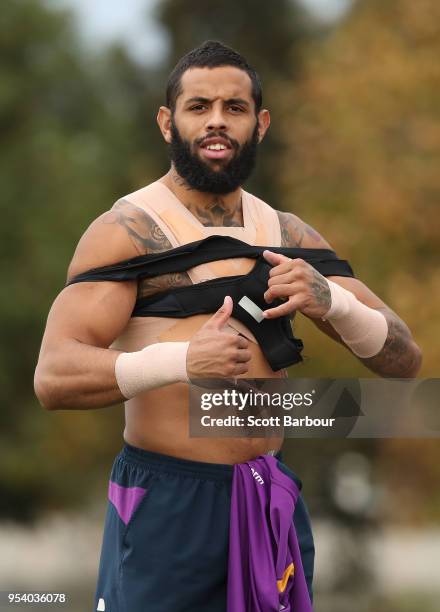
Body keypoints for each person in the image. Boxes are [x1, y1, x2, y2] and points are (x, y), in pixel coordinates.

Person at [34, 40, 422, 612]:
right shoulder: (128, 229)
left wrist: (331, 302)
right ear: (168, 122)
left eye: (234, 108)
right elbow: (53, 376)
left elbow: (404, 359)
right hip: (169, 500)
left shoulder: (287, 235)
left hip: (268, 500)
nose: (217, 121)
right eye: (199, 106)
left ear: (259, 124)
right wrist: (182, 362)